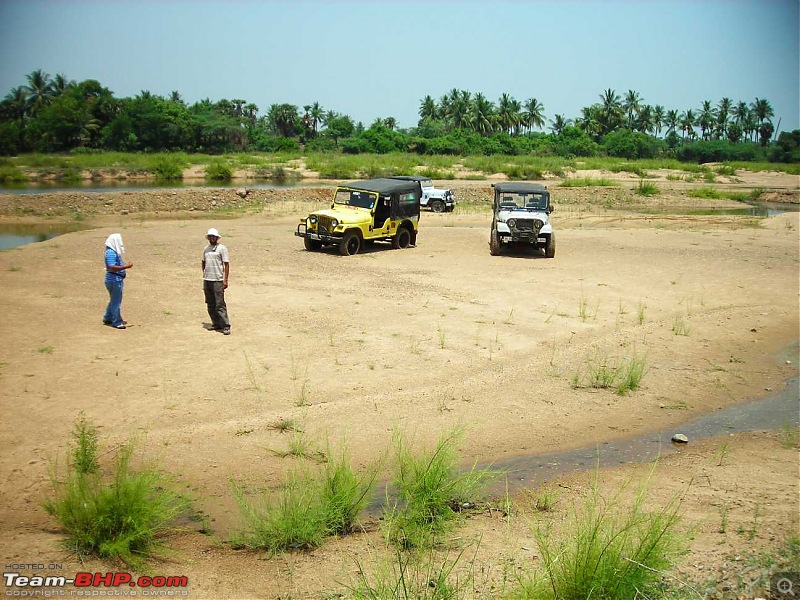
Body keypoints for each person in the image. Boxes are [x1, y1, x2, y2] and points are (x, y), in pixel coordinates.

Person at [202, 228, 231, 335]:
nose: (212, 238)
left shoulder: (222, 248)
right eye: (210, 236)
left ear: (217, 238)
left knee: (220, 304)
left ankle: (225, 326)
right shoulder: (206, 249)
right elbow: (203, 262)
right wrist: (204, 274)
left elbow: (226, 264)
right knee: (210, 303)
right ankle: (216, 323)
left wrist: (225, 279)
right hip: (207, 279)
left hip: (217, 280)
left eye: (213, 236)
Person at [103, 233, 132, 329]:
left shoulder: (112, 251)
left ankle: (108, 317)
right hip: (114, 280)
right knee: (116, 301)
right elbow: (111, 267)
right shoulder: (111, 252)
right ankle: (117, 322)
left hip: (115, 279)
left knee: (113, 299)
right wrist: (126, 267)